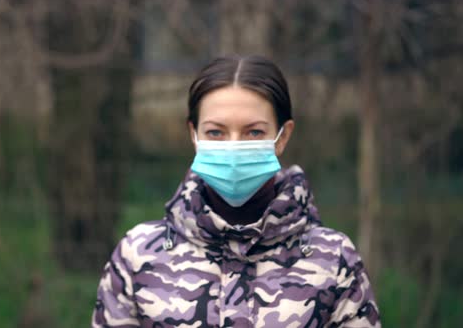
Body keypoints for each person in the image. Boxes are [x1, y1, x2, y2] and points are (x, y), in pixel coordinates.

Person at [92, 55, 381, 327]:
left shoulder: (333, 260)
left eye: (253, 132)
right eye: (215, 132)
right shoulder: (139, 256)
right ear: (194, 135)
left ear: (283, 136)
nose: (233, 145)